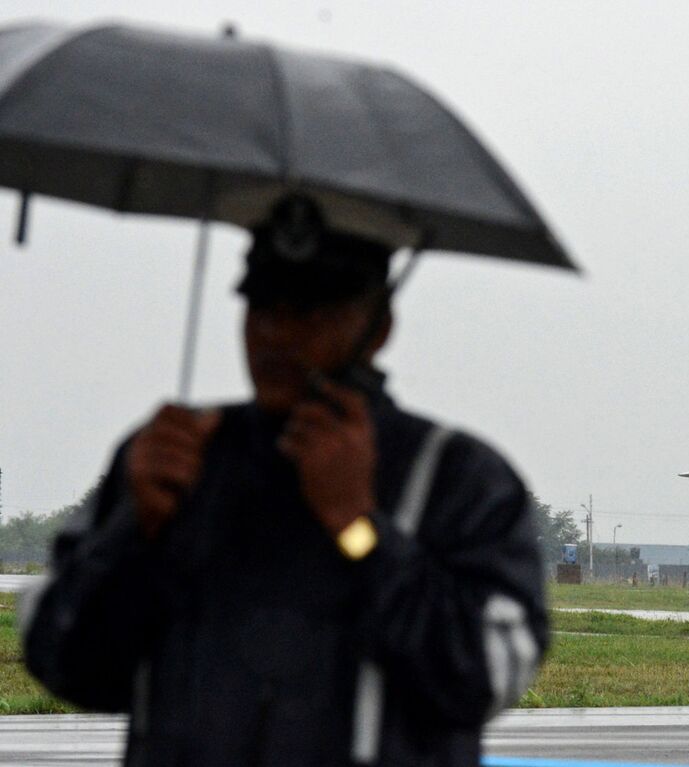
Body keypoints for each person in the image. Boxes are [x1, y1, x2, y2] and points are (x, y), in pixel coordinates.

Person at [19, 198, 549, 767]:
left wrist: (359, 528)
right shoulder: (176, 458)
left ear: (379, 326)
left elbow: (485, 677)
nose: (278, 333)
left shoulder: (457, 477)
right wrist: (134, 533)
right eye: (261, 304)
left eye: (311, 309)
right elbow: (66, 663)